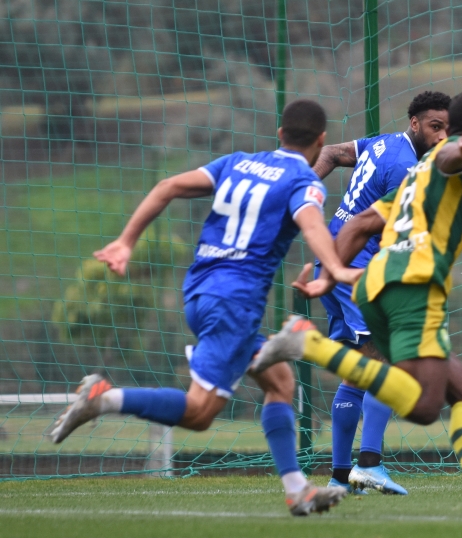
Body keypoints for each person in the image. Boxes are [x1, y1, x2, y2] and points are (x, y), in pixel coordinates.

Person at [50, 99, 362, 516]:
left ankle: (297, 489)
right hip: (236, 303)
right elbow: (311, 225)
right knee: (199, 413)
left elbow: (166, 188)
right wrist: (338, 269)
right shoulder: (303, 181)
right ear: (321, 140)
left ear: (279, 134)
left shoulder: (237, 162)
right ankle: (104, 399)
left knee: (280, 382)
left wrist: (126, 241)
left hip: (199, 290)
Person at [252, 90, 462, 519]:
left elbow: (360, 222)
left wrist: (327, 278)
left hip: (372, 282)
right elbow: (455, 156)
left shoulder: (416, 172)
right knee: (424, 405)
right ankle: (310, 346)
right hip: (411, 289)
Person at [312, 90, 450, 495]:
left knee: (358, 374)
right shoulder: (407, 168)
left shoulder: (381, 143)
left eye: (447, 129)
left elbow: (334, 153)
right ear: (415, 123)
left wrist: (302, 187)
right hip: (354, 269)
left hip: (334, 261)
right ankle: (369, 463)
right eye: (434, 127)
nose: (442, 136)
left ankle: (339, 479)